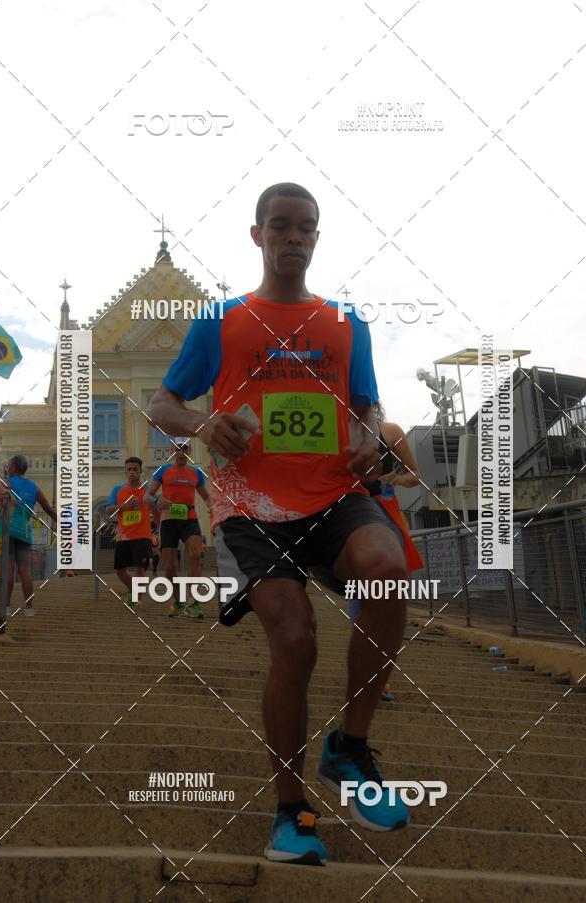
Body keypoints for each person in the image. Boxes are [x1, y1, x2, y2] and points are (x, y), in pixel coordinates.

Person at [148, 183, 410, 866]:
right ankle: (291, 813)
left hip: (332, 494)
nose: (294, 237)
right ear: (258, 235)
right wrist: (204, 422)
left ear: (316, 239)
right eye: (281, 226)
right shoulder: (223, 322)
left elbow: (368, 402)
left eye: (307, 228)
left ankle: (349, 747)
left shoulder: (347, 322)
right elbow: (160, 401)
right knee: (295, 639)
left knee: (387, 570)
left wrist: (365, 434)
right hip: (251, 508)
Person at [349, 411, 424, 703]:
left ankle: (380, 673)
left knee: (389, 595)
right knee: (359, 593)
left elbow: (416, 476)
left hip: (387, 514)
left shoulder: (390, 432)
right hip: (352, 514)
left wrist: (400, 479)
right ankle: (368, 673)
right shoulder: (340, 433)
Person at [144, 439, 211, 619]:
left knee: (195, 556)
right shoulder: (163, 471)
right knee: (170, 565)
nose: (181, 453)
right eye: (177, 449)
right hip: (169, 521)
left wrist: (214, 509)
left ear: (189, 450)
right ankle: (178, 600)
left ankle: (194, 602)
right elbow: (147, 496)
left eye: (184, 449)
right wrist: (158, 501)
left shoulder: (196, 472)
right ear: (172, 451)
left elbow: (206, 497)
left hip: (190, 519)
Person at [0, 454, 56, 616]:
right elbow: (49, 510)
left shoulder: (7, 483)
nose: (7, 469)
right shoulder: (34, 487)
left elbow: (0, 507)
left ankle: (5, 607)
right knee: (24, 570)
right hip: (25, 531)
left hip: (8, 529)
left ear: (13, 468)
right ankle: (29, 608)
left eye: (8, 466)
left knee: (7, 569)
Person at [106, 457, 156, 606]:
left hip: (142, 535)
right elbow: (108, 509)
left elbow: (156, 506)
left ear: (141, 471)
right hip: (123, 537)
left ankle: (137, 598)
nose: (132, 472)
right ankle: (133, 590)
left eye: (135, 469)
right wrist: (123, 506)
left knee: (140, 568)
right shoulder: (118, 489)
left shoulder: (147, 489)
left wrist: (159, 529)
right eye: (129, 469)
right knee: (120, 570)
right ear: (125, 471)